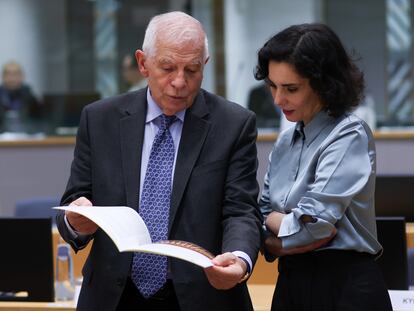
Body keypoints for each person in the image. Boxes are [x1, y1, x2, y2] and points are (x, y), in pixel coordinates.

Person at [56, 11, 262, 311]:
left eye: (192, 70)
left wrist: (239, 258)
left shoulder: (232, 125)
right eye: (168, 68)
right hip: (114, 296)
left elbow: (241, 210)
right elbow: (75, 201)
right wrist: (76, 223)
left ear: (204, 65)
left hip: (201, 295)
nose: (180, 82)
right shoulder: (100, 119)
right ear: (143, 63)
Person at [255, 23, 392, 311]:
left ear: (323, 84)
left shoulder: (349, 133)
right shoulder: (284, 142)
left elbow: (315, 226)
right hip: (291, 282)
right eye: (272, 86)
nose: (278, 100)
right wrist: (279, 229)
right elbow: (262, 211)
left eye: (291, 88)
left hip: (345, 286)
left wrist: (278, 234)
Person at [0, 61, 40, 133]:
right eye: (8, 74)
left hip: (26, 137)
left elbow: (39, 121)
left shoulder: (30, 97)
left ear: (22, 76)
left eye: (15, 74)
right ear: (3, 77)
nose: (12, 78)